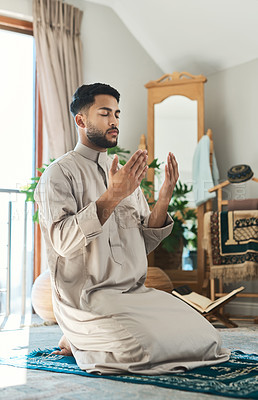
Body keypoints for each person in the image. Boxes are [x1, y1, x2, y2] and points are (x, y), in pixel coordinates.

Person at [34, 83, 230, 375]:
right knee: (143, 350)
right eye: (104, 113)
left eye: (116, 113)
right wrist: (112, 196)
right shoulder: (59, 174)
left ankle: (87, 340)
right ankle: (78, 337)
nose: (113, 121)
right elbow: (62, 242)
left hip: (135, 294)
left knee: (209, 340)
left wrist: (164, 197)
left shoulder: (126, 174)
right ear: (81, 120)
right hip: (90, 298)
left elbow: (144, 241)